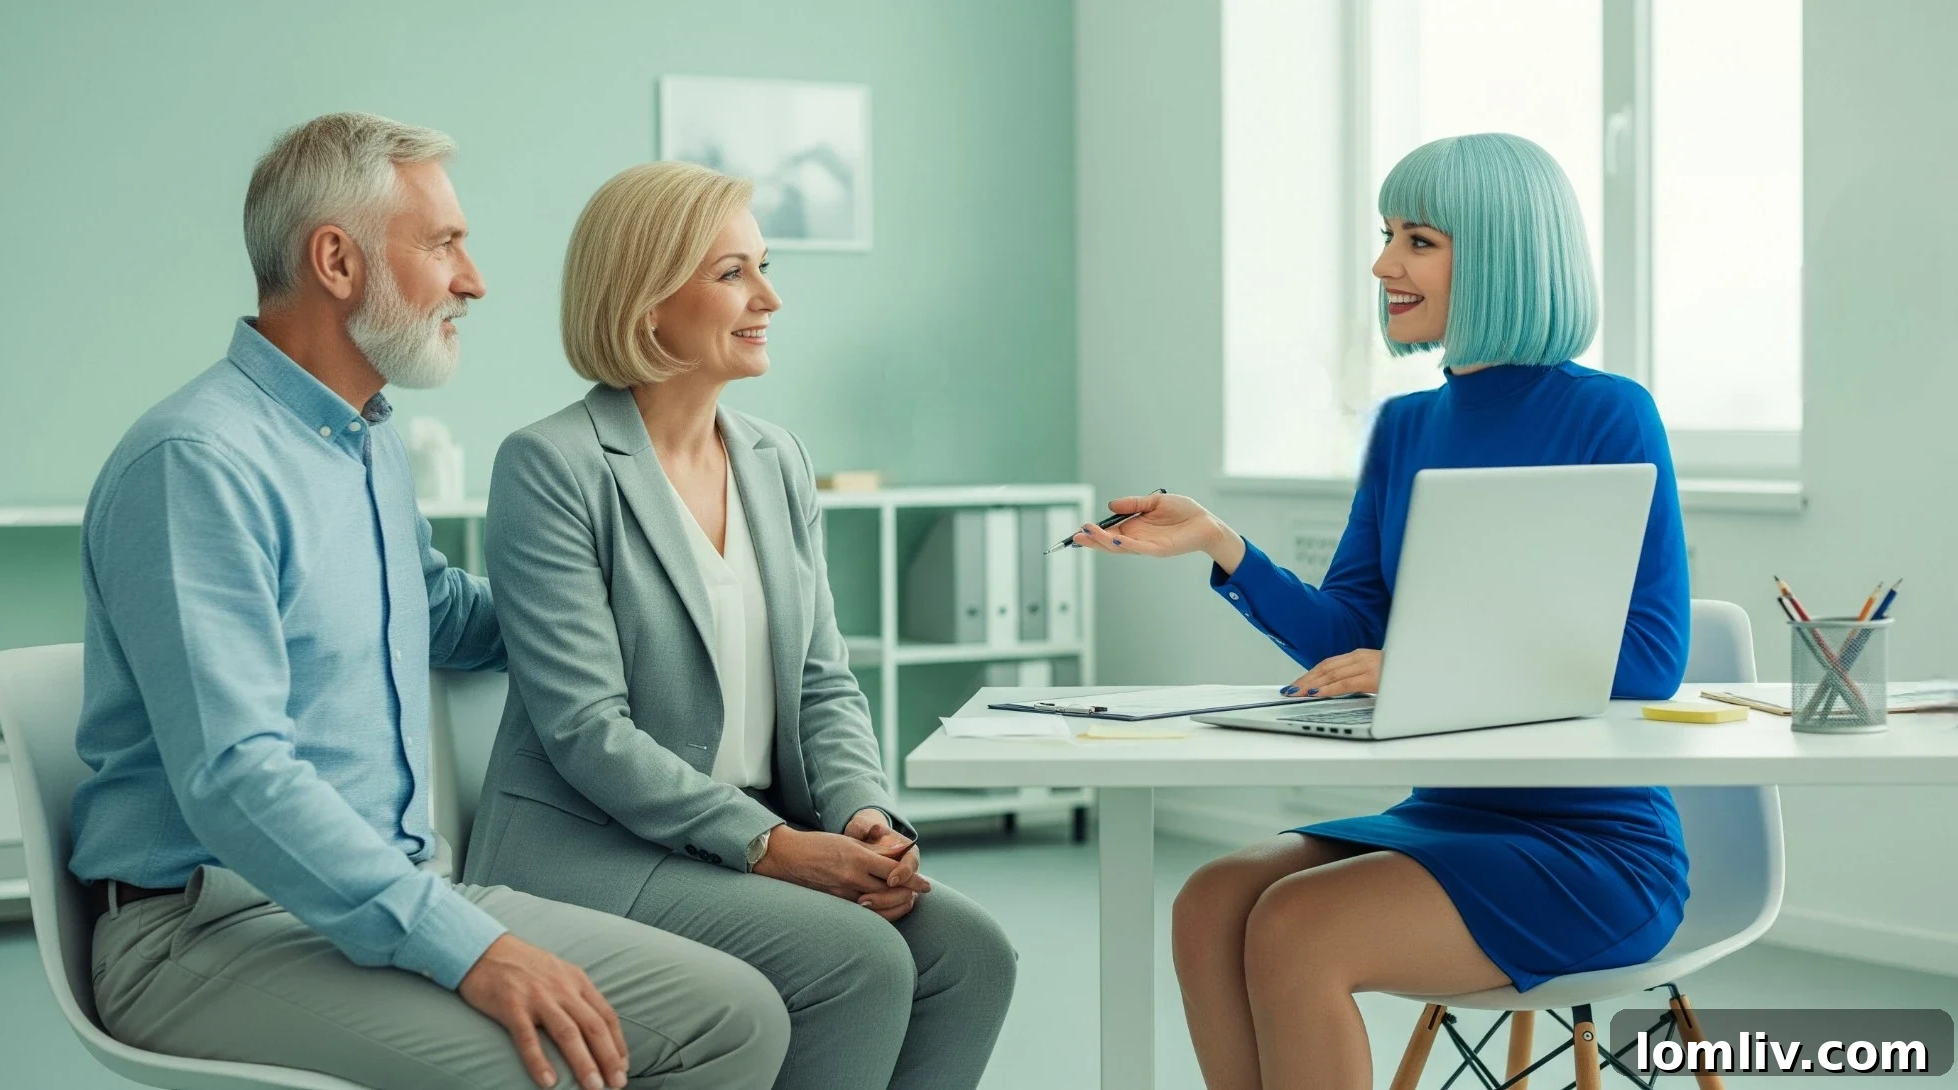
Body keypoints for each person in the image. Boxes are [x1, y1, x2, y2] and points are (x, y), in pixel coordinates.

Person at [69, 113, 788, 1090]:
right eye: (445, 243)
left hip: (389, 892)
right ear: (336, 260)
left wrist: (636, 599)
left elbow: (445, 612)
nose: (474, 280)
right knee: (562, 1063)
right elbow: (236, 775)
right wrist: (472, 949)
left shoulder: (361, 440)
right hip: (212, 928)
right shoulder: (198, 464)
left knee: (738, 1016)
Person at [1074, 133, 1691, 1090]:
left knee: (1296, 924)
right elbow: (1348, 636)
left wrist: (1418, 673)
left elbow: (1650, 658)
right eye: (1387, 234)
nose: (1383, 264)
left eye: (1419, 240)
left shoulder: (1610, 415)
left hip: (1593, 841)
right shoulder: (1406, 425)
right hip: (1444, 812)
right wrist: (1220, 545)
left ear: (1500, 257)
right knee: (1208, 900)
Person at [462, 160, 1018, 1090]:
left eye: (763, 265)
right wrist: (776, 848)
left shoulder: (777, 458)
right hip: (596, 850)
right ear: (646, 301)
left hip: (765, 828)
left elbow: (821, 680)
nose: (770, 296)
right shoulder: (550, 466)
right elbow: (586, 730)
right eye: (733, 273)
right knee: (861, 960)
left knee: (971, 956)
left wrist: (862, 816)